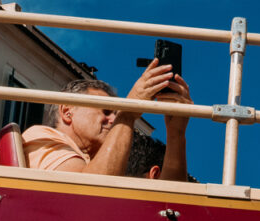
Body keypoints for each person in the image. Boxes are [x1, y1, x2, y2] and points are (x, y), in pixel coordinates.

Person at [23, 61, 189, 175]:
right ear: (67, 111)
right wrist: (128, 113)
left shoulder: (107, 159)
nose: (113, 121)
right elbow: (88, 195)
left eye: (115, 115)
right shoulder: (39, 135)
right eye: (106, 111)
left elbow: (170, 203)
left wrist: (176, 134)